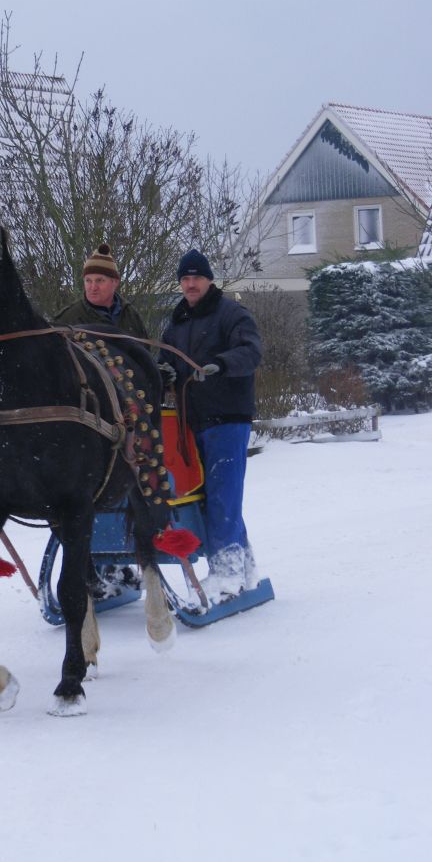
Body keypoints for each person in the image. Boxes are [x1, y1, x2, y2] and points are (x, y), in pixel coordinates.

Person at [160, 248, 262, 599]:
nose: (190, 284)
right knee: (210, 497)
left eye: (196, 278)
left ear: (209, 280)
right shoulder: (177, 322)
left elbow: (251, 351)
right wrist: (164, 372)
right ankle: (245, 568)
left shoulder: (231, 313)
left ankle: (227, 575)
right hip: (193, 422)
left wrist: (221, 363)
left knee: (223, 496)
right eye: (185, 279)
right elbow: (165, 359)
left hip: (228, 419)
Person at [53, 243, 149, 340]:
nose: (93, 287)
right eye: (88, 281)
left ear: (115, 282)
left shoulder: (131, 315)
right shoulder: (68, 319)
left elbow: (145, 352)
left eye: (99, 280)